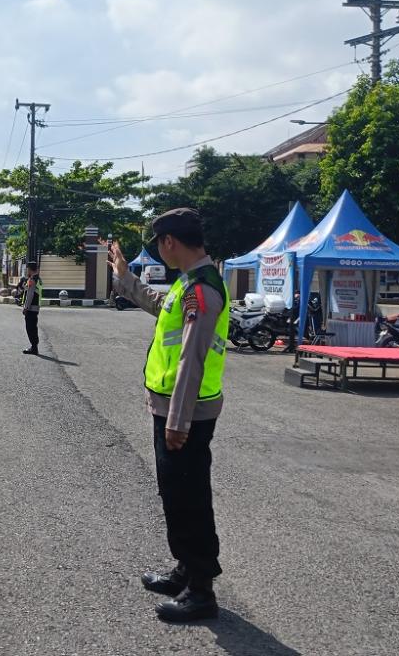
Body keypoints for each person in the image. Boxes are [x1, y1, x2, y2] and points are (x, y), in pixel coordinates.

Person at [108, 208, 229, 623]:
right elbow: (162, 307)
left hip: (187, 414)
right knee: (176, 494)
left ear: (169, 242)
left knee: (188, 498)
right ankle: (185, 570)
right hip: (177, 409)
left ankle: (201, 590)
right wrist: (125, 277)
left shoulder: (202, 289)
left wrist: (178, 420)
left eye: (159, 243)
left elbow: (192, 358)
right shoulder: (189, 283)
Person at [21, 261, 41, 355]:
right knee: (33, 327)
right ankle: (34, 347)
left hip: (31, 308)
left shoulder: (32, 280)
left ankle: (34, 348)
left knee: (30, 328)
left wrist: (26, 308)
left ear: (29, 269)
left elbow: (30, 295)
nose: (27, 271)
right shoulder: (38, 279)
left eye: (27, 269)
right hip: (36, 307)